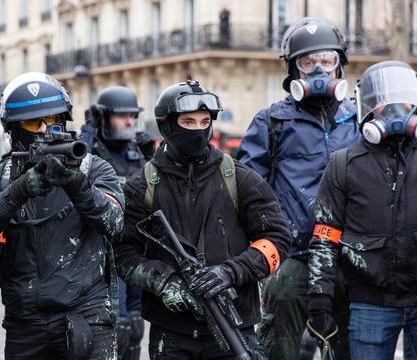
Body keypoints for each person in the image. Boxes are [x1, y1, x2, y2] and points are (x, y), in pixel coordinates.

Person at [115, 79, 290, 359]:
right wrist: (162, 281)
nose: (198, 129)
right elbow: (123, 253)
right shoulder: (142, 185)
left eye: (204, 121)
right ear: (168, 126)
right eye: (188, 122)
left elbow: (278, 240)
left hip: (235, 327)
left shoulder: (240, 177)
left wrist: (230, 272)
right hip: (171, 334)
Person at [0, 72, 124, 359]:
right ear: (15, 131)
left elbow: (115, 224)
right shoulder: (0, 178)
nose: (45, 130)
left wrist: (76, 184)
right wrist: (19, 191)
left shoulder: (94, 169)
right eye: (34, 123)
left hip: (87, 316)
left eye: (54, 121)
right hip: (26, 324)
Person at [237, 16, 359, 359]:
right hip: (291, 258)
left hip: (349, 258)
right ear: (293, 72)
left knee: (348, 348)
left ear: (339, 67)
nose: (318, 70)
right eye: (308, 63)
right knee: (280, 348)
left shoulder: (360, 120)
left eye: (326, 61)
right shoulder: (271, 120)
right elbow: (247, 188)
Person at [307, 60, 417, 360]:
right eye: (383, 99)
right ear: (368, 107)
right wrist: (320, 297)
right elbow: (324, 237)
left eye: (403, 98)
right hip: (370, 301)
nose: (395, 108)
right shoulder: (343, 164)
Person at [80, 85, 153, 360]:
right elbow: (76, 172)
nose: (129, 122)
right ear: (103, 118)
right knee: (117, 324)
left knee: (135, 323)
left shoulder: (137, 151)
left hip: (135, 247)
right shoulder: (90, 151)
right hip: (105, 252)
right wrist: (87, 133)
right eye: (122, 116)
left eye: (133, 116)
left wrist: (152, 157)